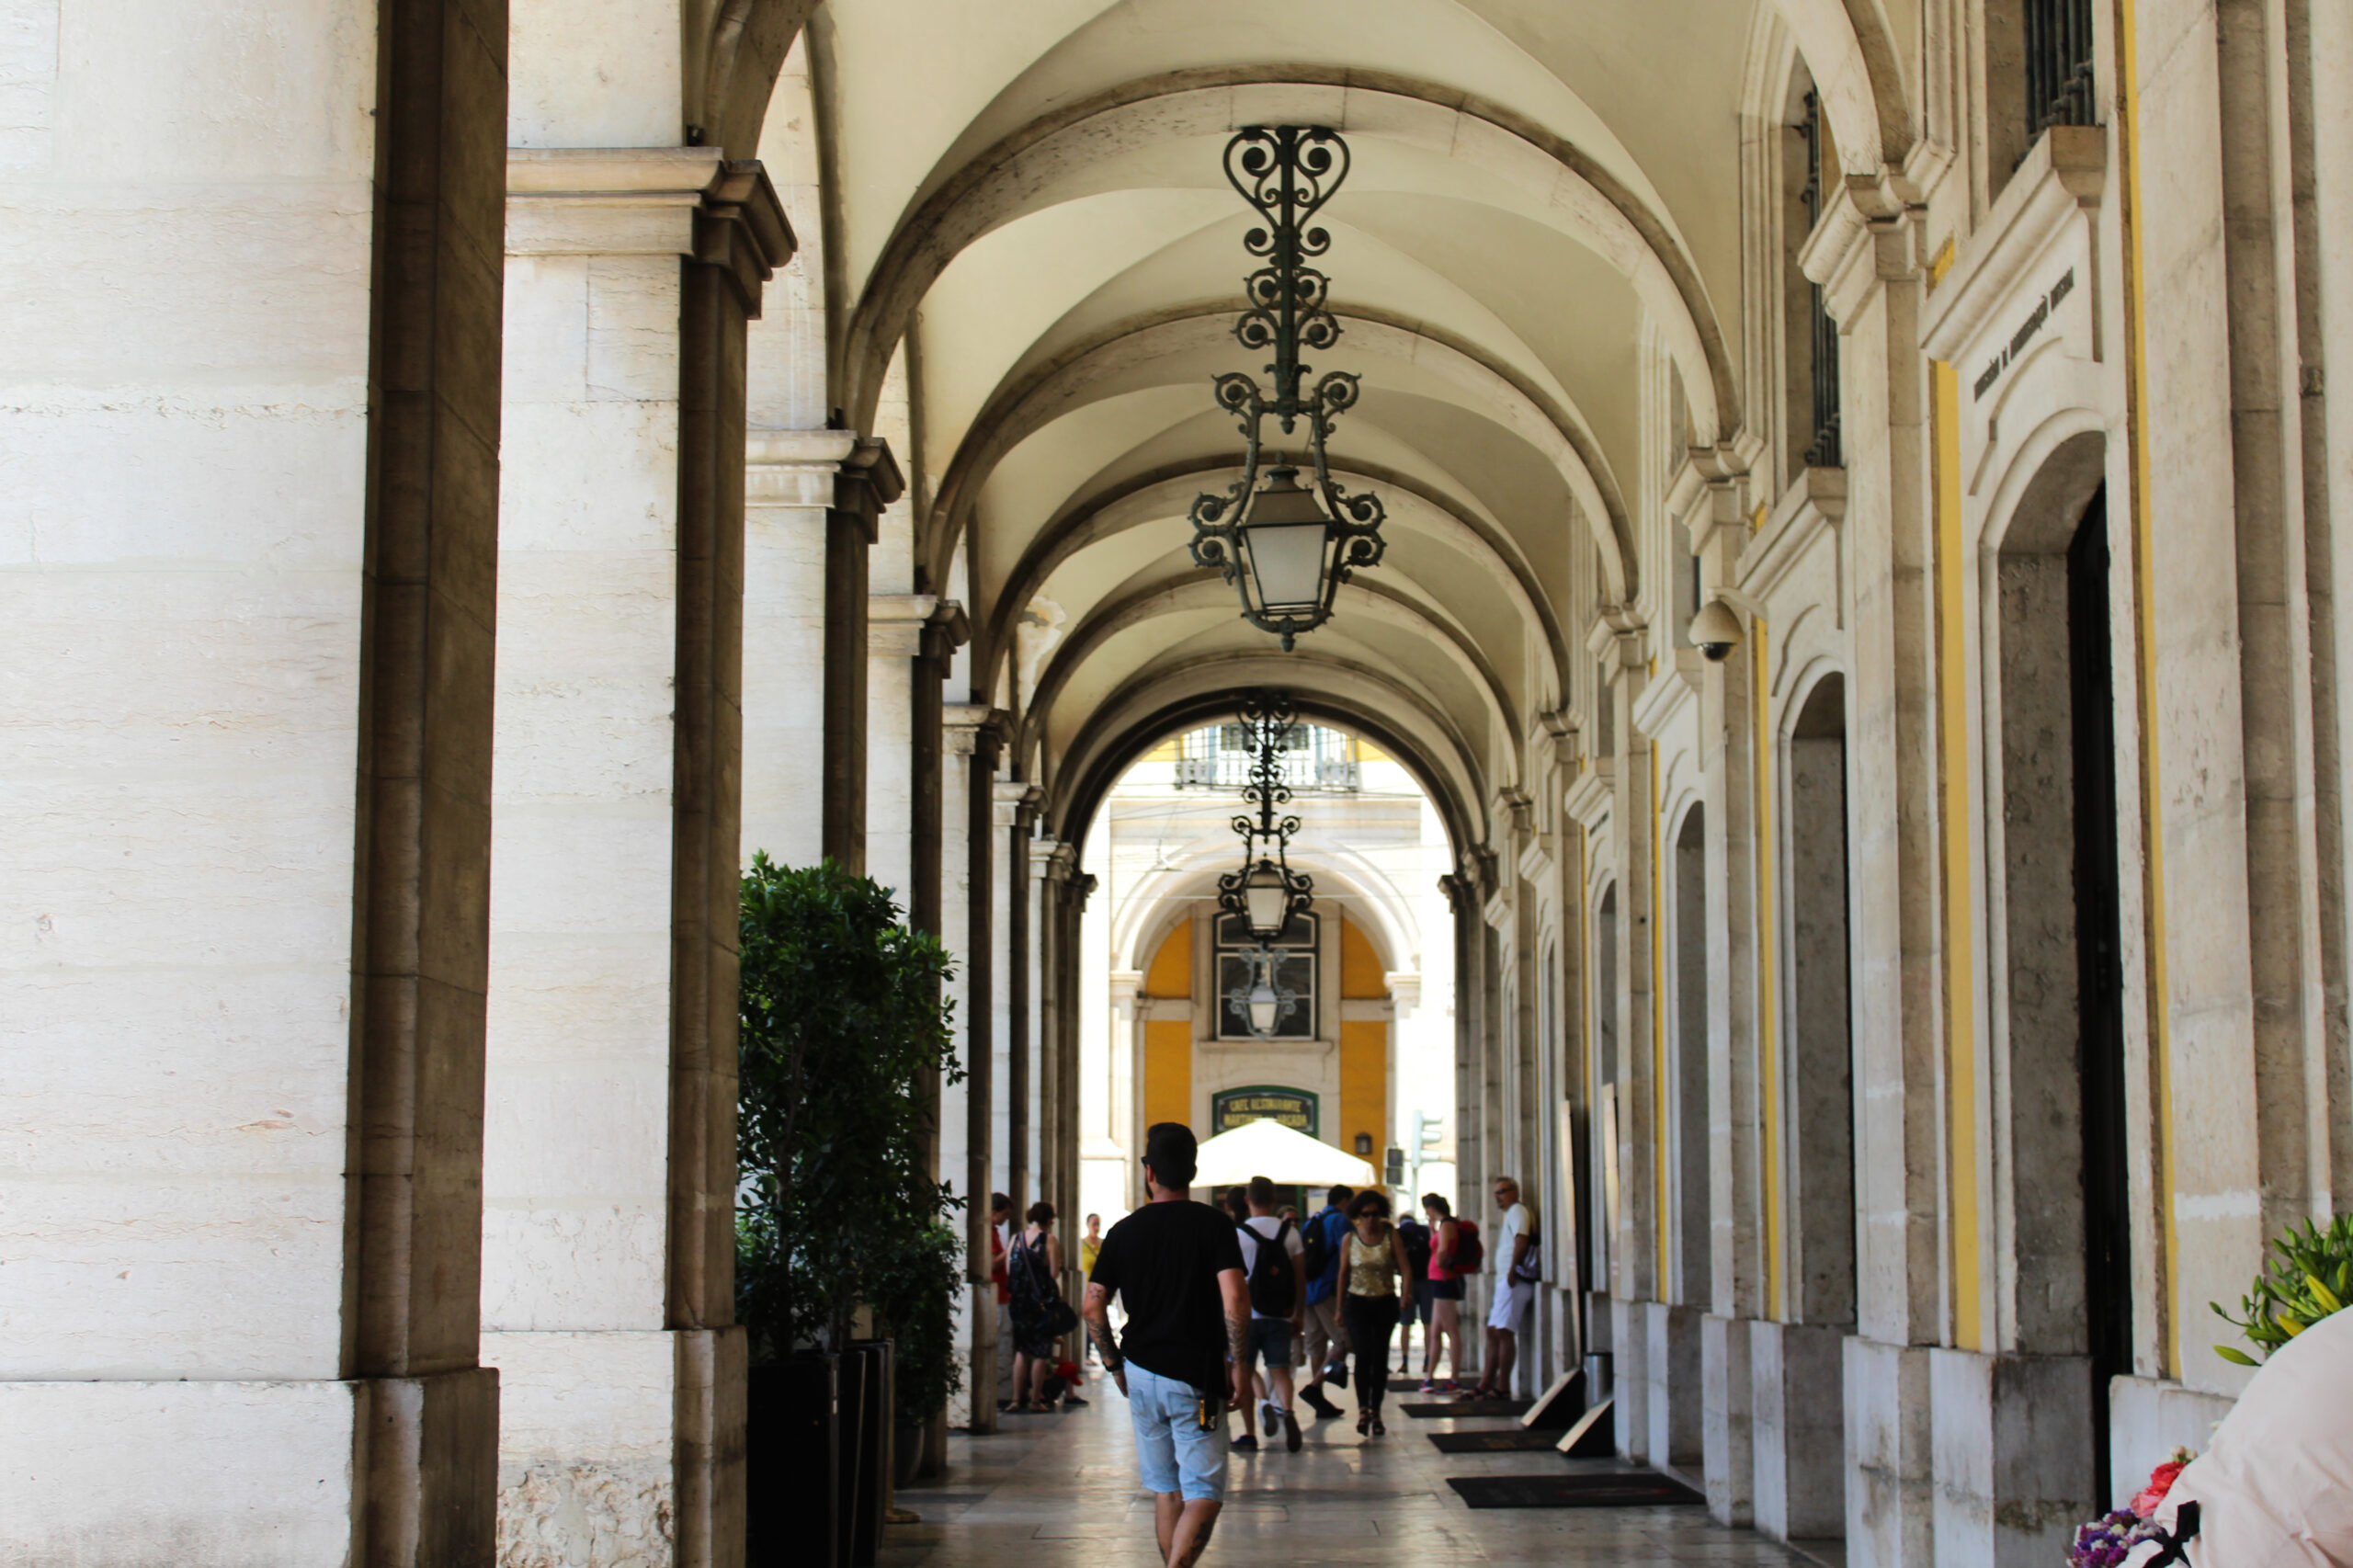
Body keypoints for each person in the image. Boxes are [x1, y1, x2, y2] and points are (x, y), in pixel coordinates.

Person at [1084, 1124, 1250, 1568]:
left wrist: (1114, 1366)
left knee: (1167, 1488)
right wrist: (1241, 1366)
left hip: (1139, 1372)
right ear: (1193, 1171)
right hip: (1194, 1374)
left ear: (1150, 1172)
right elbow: (1234, 1297)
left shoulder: (1122, 1231)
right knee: (1205, 1492)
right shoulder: (1214, 1225)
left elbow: (1092, 1306)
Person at [1231, 1175, 1304, 1453]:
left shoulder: (1238, 1235)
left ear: (1248, 1200)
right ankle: (1286, 1410)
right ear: (1275, 1200)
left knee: (1245, 1370)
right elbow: (1299, 1278)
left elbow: (1231, 1281)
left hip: (1246, 1316)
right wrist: (1298, 1315)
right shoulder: (1291, 1233)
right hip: (1281, 1315)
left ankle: (1251, 1430)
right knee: (1280, 1370)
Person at [1336, 1190, 1414, 1437]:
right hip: (1357, 1303)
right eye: (1365, 1214)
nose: (1370, 1219)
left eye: (1375, 1214)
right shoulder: (1350, 1239)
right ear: (1357, 1216)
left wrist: (1406, 1294)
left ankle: (1377, 1410)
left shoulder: (1391, 1236)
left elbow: (1405, 1268)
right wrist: (1339, 1308)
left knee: (1380, 1358)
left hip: (1384, 1302)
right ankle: (1362, 1409)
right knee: (1362, 1354)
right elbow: (1343, 1274)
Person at [1472, 1176, 1537, 1400]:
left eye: (1501, 1191)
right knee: (1493, 1331)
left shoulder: (1518, 1211)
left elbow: (1522, 1240)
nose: (1498, 1197)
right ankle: (1487, 1382)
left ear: (1514, 1192)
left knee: (1503, 1332)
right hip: (1506, 1281)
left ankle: (1502, 1386)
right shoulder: (1511, 1214)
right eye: (1496, 1193)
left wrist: (1512, 1270)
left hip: (1514, 1280)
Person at [1296, 1183, 1354, 1418]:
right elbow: (1347, 1258)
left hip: (1308, 1290)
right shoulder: (1341, 1222)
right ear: (1344, 1202)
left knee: (1316, 1345)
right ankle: (1315, 1386)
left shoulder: (1311, 1222)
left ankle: (1318, 1397)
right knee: (1344, 1342)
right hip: (1328, 1290)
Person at [1006, 1201, 1066, 1412]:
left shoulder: (1016, 1238)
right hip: (1039, 1304)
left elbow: (1008, 1270)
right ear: (1049, 1219)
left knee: (1021, 1351)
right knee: (1041, 1352)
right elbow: (1053, 1273)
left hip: (1018, 1303)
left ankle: (1015, 1400)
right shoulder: (1048, 1240)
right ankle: (1034, 1400)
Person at [1418, 1193, 1465, 1392]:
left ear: (1431, 1208)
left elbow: (1444, 1250)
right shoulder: (1443, 1225)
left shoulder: (1447, 1225)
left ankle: (1454, 1378)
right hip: (1439, 1281)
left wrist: (1437, 1261)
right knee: (1436, 1331)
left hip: (1444, 1280)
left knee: (1451, 1330)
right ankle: (1429, 1377)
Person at [1392, 1210, 1431, 1374]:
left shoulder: (1399, 1234)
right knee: (1428, 1324)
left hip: (1407, 1283)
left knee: (1405, 1324)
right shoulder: (1425, 1231)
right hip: (1427, 1282)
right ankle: (1428, 1360)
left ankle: (1405, 1361)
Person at [990, 1192, 1016, 1406]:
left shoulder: (994, 1232)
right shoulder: (987, 1232)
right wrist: (1009, 1251)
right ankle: (998, 1394)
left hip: (1002, 1295)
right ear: (994, 1212)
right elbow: (991, 1264)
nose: (1006, 1218)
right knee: (1000, 1342)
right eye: (1004, 1214)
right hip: (996, 1297)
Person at [1079, 1214, 1105, 1361]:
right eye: (1094, 1224)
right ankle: (1087, 1353)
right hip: (1085, 1289)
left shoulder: (1103, 1244)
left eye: (1098, 1224)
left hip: (1100, 1290)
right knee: (1089, 1319)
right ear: (1087, 1225)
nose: (1096, 1227)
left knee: (1100, 1319)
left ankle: (1103, 1352)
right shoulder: (1082, 1245)